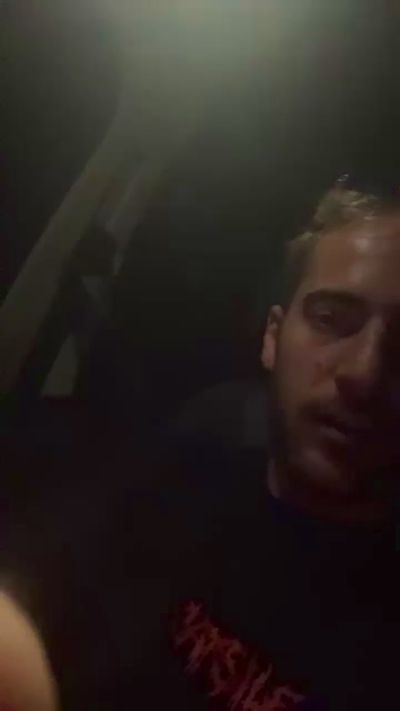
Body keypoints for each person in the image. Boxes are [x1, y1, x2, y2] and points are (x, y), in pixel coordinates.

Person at [4, 178, 399, 710]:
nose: (364, 374)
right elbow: (52, 562)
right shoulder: (201, 456)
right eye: (331, 319)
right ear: (273, 337)